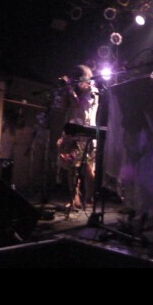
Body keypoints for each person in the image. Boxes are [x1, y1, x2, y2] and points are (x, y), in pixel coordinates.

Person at [56, 64, 99, 210]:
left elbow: (79, 106)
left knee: (87, 168)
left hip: (86, 135)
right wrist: (65, 91)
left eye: (78, 79)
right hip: (71, 133)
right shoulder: (73, 92)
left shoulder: (93, 92)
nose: (76, 82)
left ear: (86, 79)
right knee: (71, 168)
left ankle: (89, 198)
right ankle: (74, 198)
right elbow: (63, 108)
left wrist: (69, 87)